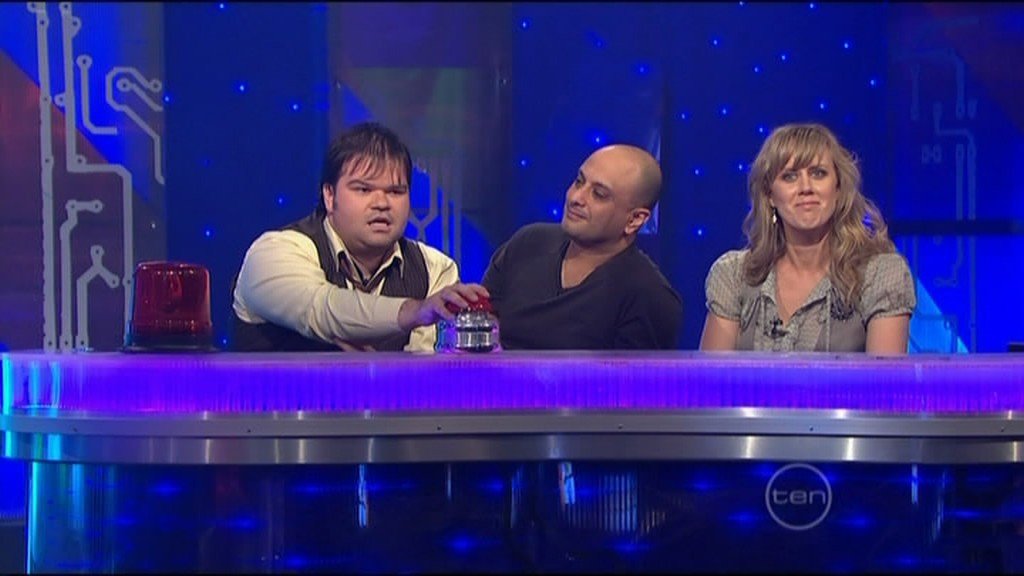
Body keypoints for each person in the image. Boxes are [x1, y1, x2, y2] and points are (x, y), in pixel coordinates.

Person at [231, 122, 488, 352]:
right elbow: (320, 309)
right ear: (329, 195)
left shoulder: (434, 269)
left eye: (395, 191)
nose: (382, 203)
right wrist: (414, 310)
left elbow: (426, 373)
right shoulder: (274, 252)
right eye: (364, 189)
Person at [699, 122, 916, 354]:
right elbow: (710, 376)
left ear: (838, 188)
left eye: (818, 173)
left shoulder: (879, 274)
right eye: (790, 176)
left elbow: (883, 376)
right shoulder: (734, 275)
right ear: (770, 195)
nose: (806, 187)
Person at [481, 144, 682, 350]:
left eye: (599, 194)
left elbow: (630, 372)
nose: (575, 198)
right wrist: (463, 311)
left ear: (635, 220)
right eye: (579, 182)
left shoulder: (649, 296)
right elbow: (483, 323)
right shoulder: (528, 243)